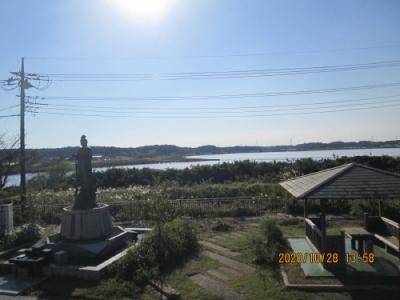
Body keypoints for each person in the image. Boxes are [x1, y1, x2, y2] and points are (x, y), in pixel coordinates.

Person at [73, 135, 97, 209]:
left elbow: (89, 157)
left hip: (86, 168)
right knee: (82, 181)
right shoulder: (80, 150)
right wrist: (76, 156)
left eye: (83, 142)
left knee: (87, 181)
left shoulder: (88, 149)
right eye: (81, 142)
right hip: (82, 168)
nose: (82, 143)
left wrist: (78, 157)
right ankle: (83, 190)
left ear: (85, 143)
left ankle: (87, 192)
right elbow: (78, 158)